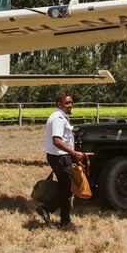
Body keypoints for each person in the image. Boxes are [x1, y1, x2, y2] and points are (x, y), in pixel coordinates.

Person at [36, 93, 85, 228]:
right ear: (59, 104)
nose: (71, 105)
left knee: (65, 188)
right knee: (69, 187)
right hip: (60, 157)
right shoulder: (58, 118)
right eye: (67, 103)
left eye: (71, 102)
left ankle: (65, 221)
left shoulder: (62, 116)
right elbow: (57, 141)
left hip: (61, 156)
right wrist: (74, 153)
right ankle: (45, 209)